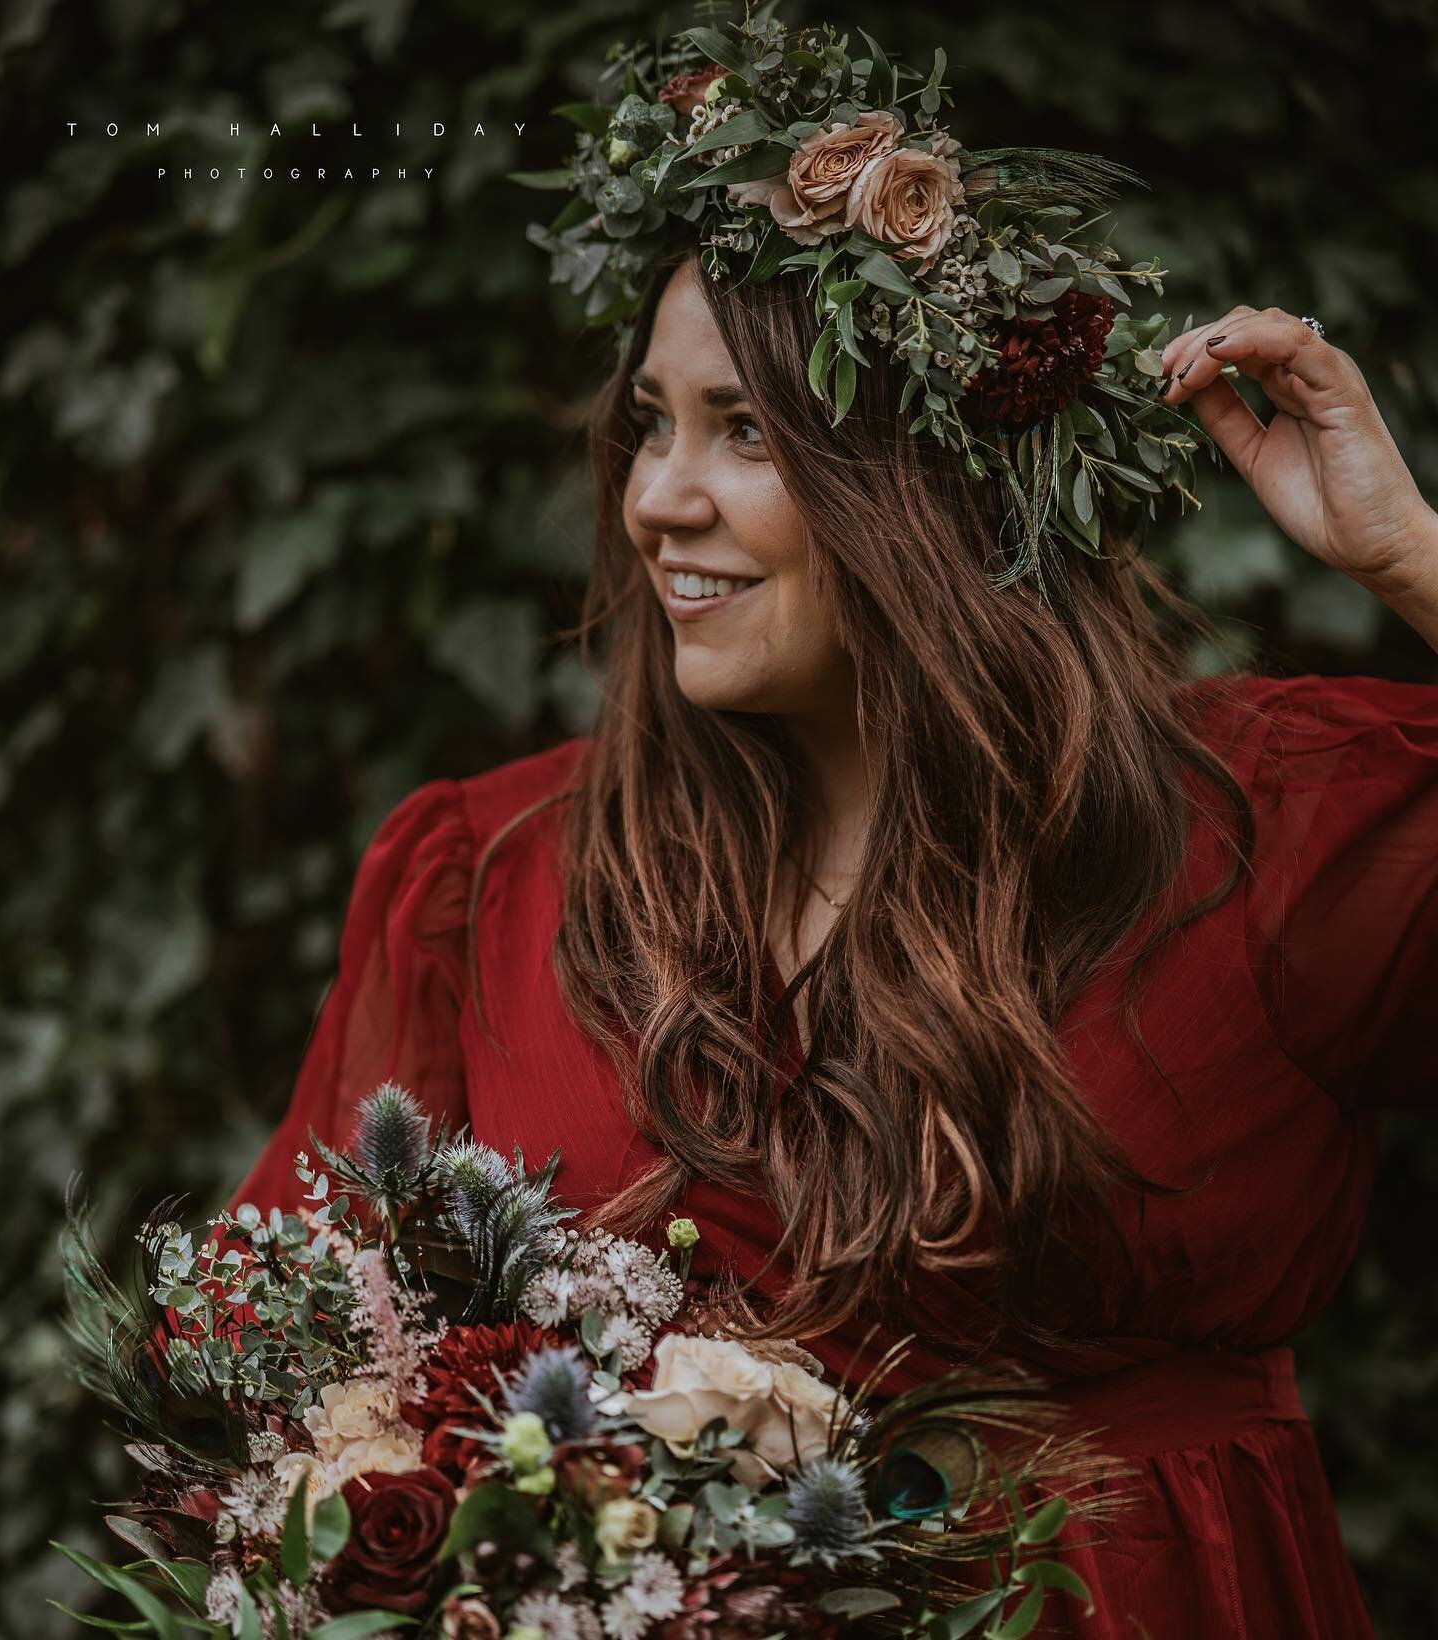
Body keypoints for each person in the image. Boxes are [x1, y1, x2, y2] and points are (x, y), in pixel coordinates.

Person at [226, 27, 1438, 1640]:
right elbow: (303, 1371)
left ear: (921, 483)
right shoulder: (498, 874)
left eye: (744, 430)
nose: (657, 494)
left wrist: (1415, 556)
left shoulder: (1259, 834)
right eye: (650, 422)